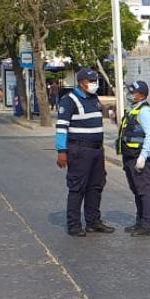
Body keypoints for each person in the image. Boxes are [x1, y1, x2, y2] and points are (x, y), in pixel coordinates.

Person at [56, 68, 114, 237]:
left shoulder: (94, 99)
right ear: (81, 83)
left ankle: (93, 221)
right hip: (79, 150)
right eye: (91, 81)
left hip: (97, 150)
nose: (94, 84)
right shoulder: (69, 100)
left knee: (96, 186)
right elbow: (61, 127)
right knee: (77, 187)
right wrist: (61, 151)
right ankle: (74, 225)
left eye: (95, 81)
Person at [116, 80, 150, 237]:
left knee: (145, 191)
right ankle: (140, 221)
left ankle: (147, 224)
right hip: (129, 156)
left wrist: (143, 157)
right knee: (137, 190)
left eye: (133, 92)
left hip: (138, 156)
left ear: (141, 95)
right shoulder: (133, 109)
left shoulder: (146, 111)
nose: (130, 94)